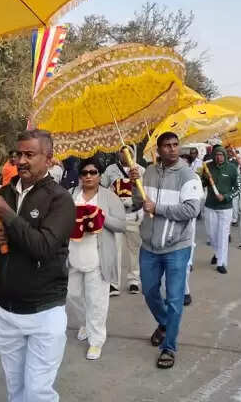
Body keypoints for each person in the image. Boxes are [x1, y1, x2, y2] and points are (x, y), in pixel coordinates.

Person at [0, 129, 75, 402]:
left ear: (49, 159)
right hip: (6, 310)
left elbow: (44, 246)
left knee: (38, 391)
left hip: (45, 311)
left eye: (29, 155)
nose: (21, 161)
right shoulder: (2, 193)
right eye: (18, 154)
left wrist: (7, 215)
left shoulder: (60, 199)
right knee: (16, 389)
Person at [129, 131, 201, 369]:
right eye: (167, 145)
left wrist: (158, 208)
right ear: (158, 150)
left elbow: (191, 210)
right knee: (149, 291)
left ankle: (169, 347)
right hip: (149, 246)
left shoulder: (188, 175)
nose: (172, 149)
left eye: (175, 144)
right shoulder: (149, 172)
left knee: (174, 298)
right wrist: (134, 184)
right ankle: (165, 323)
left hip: (177, 247)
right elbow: (139, 203)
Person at [66, 158, 126, 360]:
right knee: (73, 295)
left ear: (100, 175)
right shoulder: (71, 194)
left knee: (97, 300)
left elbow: (121, 225)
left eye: (93, 172)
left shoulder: (109, 197)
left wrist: (101, 216)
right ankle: (85, 322)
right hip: (73, 253)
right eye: (84, 173)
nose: (89, 176)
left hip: (98, 255)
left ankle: (96, 340)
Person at [101, 147, 145, 296]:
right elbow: (102, 187)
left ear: (133, 152)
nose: (125, 154)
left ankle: (134, 280)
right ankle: (114, 283)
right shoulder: (110, 170)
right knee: (115, 249)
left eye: (128, 150)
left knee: (134, 249)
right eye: (122, 151)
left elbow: (145, 192)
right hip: (116, 215)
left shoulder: (141, 170)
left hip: (133, 213)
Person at [201, 146, 239, 274]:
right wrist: (204, 177)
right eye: (216, 155)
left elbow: (238, 188)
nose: (219, 157)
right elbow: (202, 184)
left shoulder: (232, 168)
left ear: (225, 155)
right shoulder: (208, 167)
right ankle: (217, 253)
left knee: (223, 235)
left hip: (225, 208)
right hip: (210, 206)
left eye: (221, 155)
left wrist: (226, 196)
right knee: (211, 235)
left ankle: (221, 262)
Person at [178, 154, 203, 306]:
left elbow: (196, 202)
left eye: (185, 163)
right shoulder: (166, 176)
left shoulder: (194, 178)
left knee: (185, 259)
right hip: (167, 224)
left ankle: (185, 291)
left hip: (187, 223)